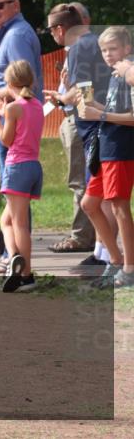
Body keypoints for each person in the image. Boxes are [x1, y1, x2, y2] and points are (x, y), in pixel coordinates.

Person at [42, 3, 113, 257]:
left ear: (61, 28)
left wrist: (64, 99)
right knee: (102, 198)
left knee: (98, 198)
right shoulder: (94, 42)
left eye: (50, 30)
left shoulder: (79, 48)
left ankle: (108, 256)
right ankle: (102, 253)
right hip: (104, 126)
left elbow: (85, 91)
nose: (51, 35)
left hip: (95, 128)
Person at [0, 61, 44, 292]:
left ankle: (26, 275)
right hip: (34, 166)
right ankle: (15, 257)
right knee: (6, 221)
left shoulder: (13, 108)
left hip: (17, 166)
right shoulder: (35, 104)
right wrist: (1, 112)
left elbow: (6, 140)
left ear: (9, 84)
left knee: (20, 224)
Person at [78, 27, 134, 288]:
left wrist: (99, 115)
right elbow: (112, 111)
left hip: (120, 150)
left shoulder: (128, 71)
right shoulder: (115, 75)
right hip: (106, 149)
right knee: (89, 204)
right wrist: (90, 105)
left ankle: (129, 268)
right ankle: (116, 259)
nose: (108, 54)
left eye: (113, 49)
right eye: (104, 50)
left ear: (126, 49)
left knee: (119, 207)